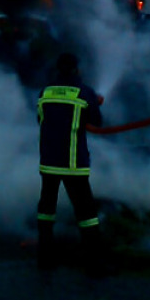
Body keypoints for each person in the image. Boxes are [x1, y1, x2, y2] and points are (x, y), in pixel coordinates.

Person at [35, 51, 109, 274]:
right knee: (86, 212)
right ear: (77, 69)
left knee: (47, 208)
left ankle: (45, 256)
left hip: (48, 162)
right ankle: (94, 262)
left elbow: (40, 118)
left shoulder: (45, 91)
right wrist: (94, 104)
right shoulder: (84, 92)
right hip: (73, 163)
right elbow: (97, 122)